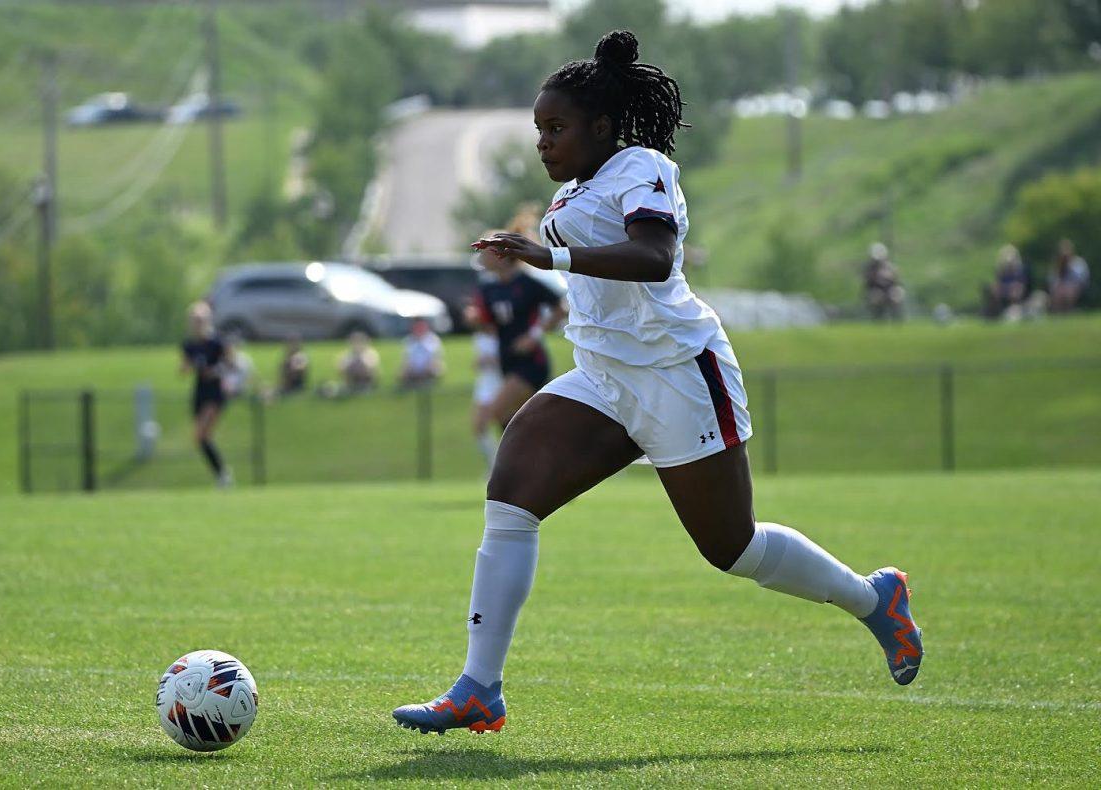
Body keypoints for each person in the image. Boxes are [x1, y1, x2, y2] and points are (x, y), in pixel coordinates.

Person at [392, 30, 922, 736]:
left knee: (732, 548)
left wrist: (548, 259)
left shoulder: (642, 166)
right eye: (538, 129)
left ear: (603, 127)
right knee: (511, 497)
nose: (544, 142)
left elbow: (652, 254)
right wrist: (546, 258)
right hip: (605, 379)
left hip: (677, 373)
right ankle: (477, 688)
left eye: (557, 128)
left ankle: (871, 598)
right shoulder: (576, 191)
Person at [472, 233, 567, 430]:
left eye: (488, 253)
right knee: (518, 421)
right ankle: (537, 455)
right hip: (506, 359)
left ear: (502, 257)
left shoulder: (526, 284)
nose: (483, 258)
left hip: (530, 361)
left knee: (498, 411)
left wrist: (533, 336)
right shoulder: (489, 288)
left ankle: (519, 457)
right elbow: (488, 326)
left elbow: (561, 308)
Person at [180, 302, 233, 487]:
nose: (197, 324)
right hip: (199, 391)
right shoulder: (189, 345)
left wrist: (214, 371)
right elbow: (184, 368)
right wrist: (189, 366)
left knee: (202, 434)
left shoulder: (217, 342)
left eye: (200, 320)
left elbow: (230, 364)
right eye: (194, 320)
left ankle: (223, 475)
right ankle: (221, 473)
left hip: (215, 391)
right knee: (200, 438)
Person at [465, 302, 503, 471]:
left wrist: (493, 361)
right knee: (479, 425)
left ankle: (503, 465)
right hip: (485, 384)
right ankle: (494, 465)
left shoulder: (502, 335)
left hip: (501, 383)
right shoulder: (479, 337)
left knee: (505, 424)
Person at [983, 244, 1029, 320]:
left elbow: (1021, 288)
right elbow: (998, 284)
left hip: (1017, 297)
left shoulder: (1020, 271)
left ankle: (1013, 310)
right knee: (994, 288)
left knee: (1015, 290)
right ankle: (995, 311)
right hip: (1004, 294)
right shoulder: (1001, 272)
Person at [398, 318, 444, 390]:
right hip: (413, 369)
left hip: (428, 367)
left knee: (435, 367)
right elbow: (406, 359)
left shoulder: (433, 339)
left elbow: (436, 357)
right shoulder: (408, 340)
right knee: (403, 371)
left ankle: (425, 383)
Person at [862, 242, 905, 321]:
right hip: (875, 289)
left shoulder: (889, 265)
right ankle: (878, 319)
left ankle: (897, 319)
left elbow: (896, 281)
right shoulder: (870, 267)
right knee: (876, 297)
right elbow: (868, 282)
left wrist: (891, 276)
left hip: (889, 289)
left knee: (896, 296)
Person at [1048, 239, 1090, 313]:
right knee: (1058, 292)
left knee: (1069, 291)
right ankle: (1058, 312)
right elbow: (1052, 280)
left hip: (1076, 288)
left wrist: (1069, 266)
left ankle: (1069, 310)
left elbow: (1081, 279)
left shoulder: (1078, 262)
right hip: (1060, 289)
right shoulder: (1057, 265)